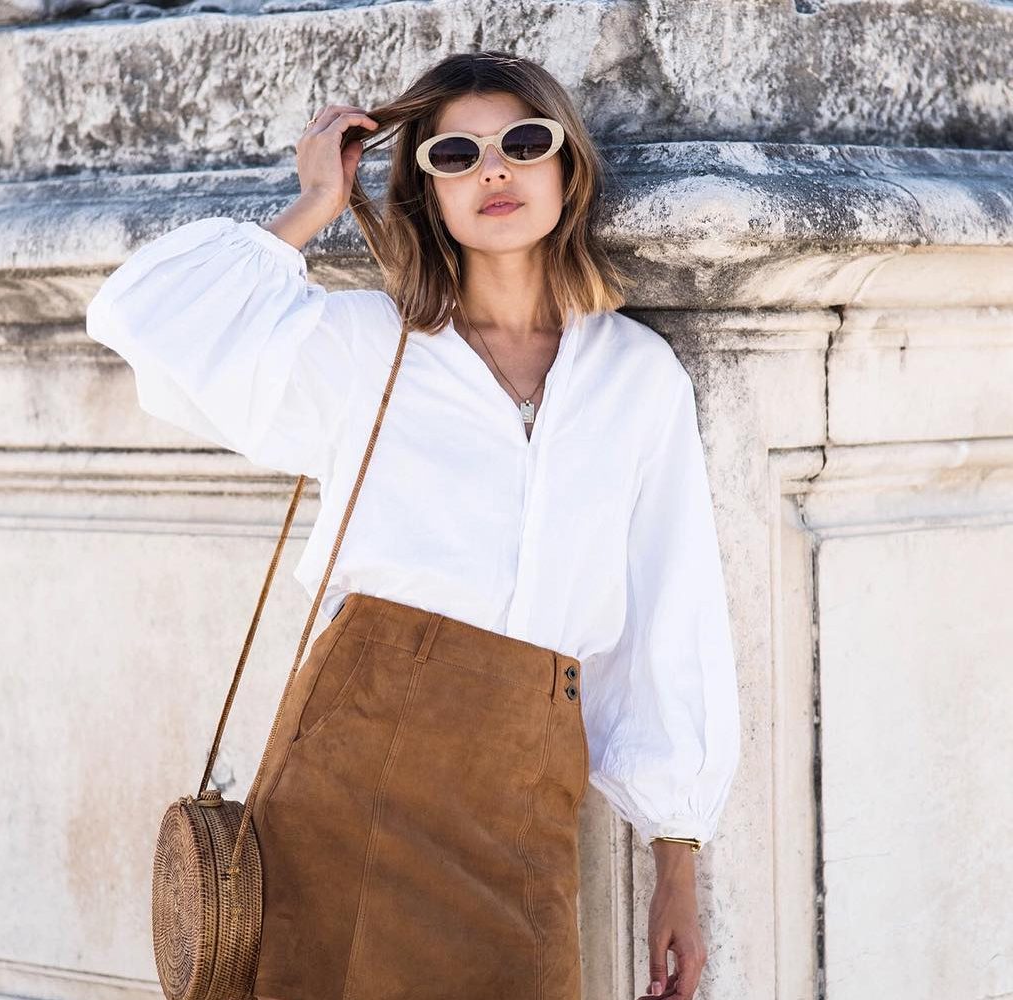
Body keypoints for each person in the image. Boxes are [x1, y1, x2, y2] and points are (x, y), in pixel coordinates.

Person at [86, 50, 740, 1000]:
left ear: (568, 165)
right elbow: (148, 318)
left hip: (528, 782)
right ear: (429, 192)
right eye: (455, 156)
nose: (493, 170)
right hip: (351, 762)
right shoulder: (366, 343)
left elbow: (672, 609)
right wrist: (315, 201)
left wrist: (677, 859)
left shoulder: (636, 375)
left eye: (524, 142)